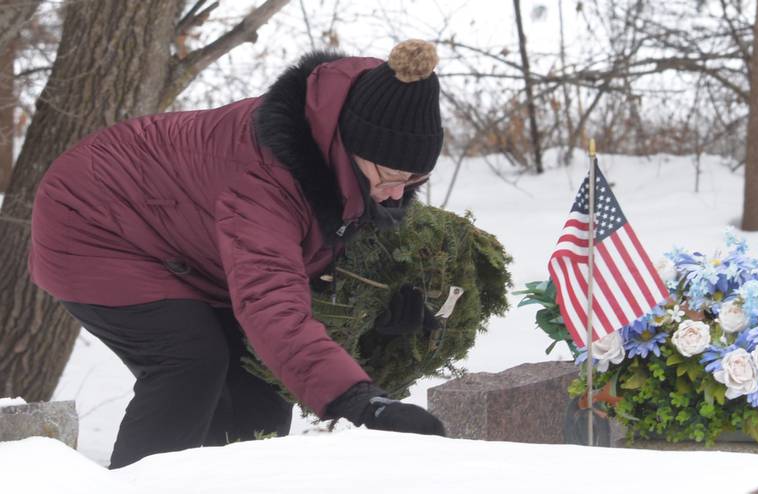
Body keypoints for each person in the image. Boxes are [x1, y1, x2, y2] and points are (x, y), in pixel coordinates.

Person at [28, 39, 447, 469]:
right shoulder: (266, 183)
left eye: (416, 178)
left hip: (185, 235)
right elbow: (271, 304)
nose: (399, 194)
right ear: (352, 145)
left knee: (258, 388)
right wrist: (362, 403)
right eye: (391, 177)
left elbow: (321, 267)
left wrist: (383, 313)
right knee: (190, 361)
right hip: (92, 221)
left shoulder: (356, 158)